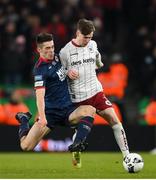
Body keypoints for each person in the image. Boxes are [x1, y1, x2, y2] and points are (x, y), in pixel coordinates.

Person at [59, 19, 130, 167]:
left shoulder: (93, 45)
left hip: (96, 92)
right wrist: (67, 73)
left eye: (90, 37)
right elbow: (58, 74)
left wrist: (98, 64)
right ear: (78, 33)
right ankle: (76, 153)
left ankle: (127, 157)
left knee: (115, 121)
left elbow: (98, 60)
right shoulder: (65, 52)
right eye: (85, 37)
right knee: (81, 132)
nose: (88, 40)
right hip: (78, 98)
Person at [15, 33, 96, 157]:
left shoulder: (59, 57)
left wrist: (69, 71)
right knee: (26, 146)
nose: (51, 50)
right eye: (47, 48)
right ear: (39, 49)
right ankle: (24, 120)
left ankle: (77, 144)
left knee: (90, 110)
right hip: (51, 114)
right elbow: (40, 96)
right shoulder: (40, 70)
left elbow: (71, 64)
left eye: (52, 47)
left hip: (68, 109)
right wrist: (42, 117)